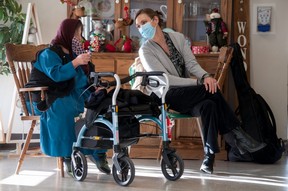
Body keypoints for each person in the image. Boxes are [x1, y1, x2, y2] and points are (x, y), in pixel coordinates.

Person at [134, 8, 266, 174]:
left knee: (209, 104)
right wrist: (198, 82)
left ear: (155, 20)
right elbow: (164, 79)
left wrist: (205, 77)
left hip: (189, 93)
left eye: (143, 23)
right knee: (211, 91)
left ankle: (209, 159)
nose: (140, 28)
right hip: (167, 94)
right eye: (138, 26)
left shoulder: (177, 38)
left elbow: (191, 64)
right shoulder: (145, 50)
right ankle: (237, 136)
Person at [25, 19, 110, 175]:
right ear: (67, 33)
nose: (80, 38)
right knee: (64, 108)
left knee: (102, 104)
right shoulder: (48, 54)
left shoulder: (75, 55)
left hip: (73, 95)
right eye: (76, 33)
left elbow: (83, 82)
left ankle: (98, 152)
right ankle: (67, 156)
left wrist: (94, 87)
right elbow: (56, 74)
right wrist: (76, 62)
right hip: (47, 98)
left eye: (80, 33)